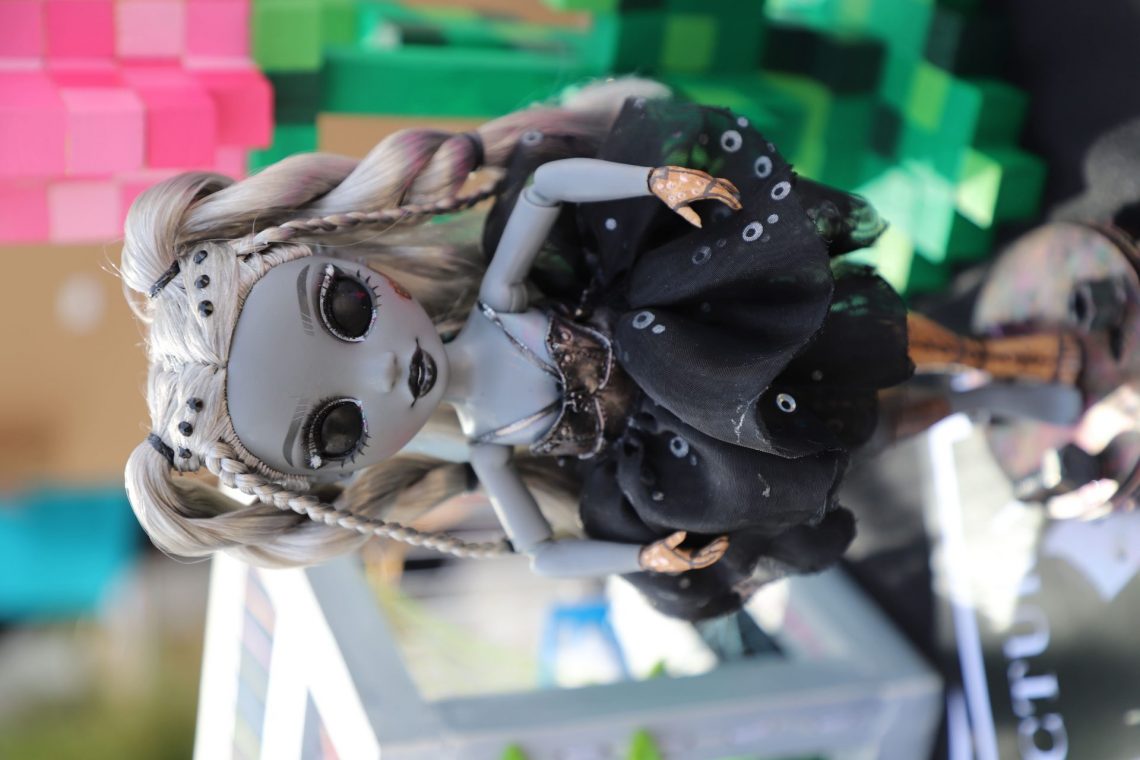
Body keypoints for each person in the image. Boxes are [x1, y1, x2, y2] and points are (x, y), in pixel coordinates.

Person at [121, 81, 1082, 620]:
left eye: (341, 306)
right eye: (336, 429)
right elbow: (542, 554)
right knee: (870, 427)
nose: (381, 371)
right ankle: (982, 398)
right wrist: (641, 558)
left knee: (883, 332)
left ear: (333, 255)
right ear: (337, 476)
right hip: (696, 453)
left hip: (694, 325)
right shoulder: (487, 445)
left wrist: (651, 181)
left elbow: (544, 194)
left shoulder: (499, 298)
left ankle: (999, 357)